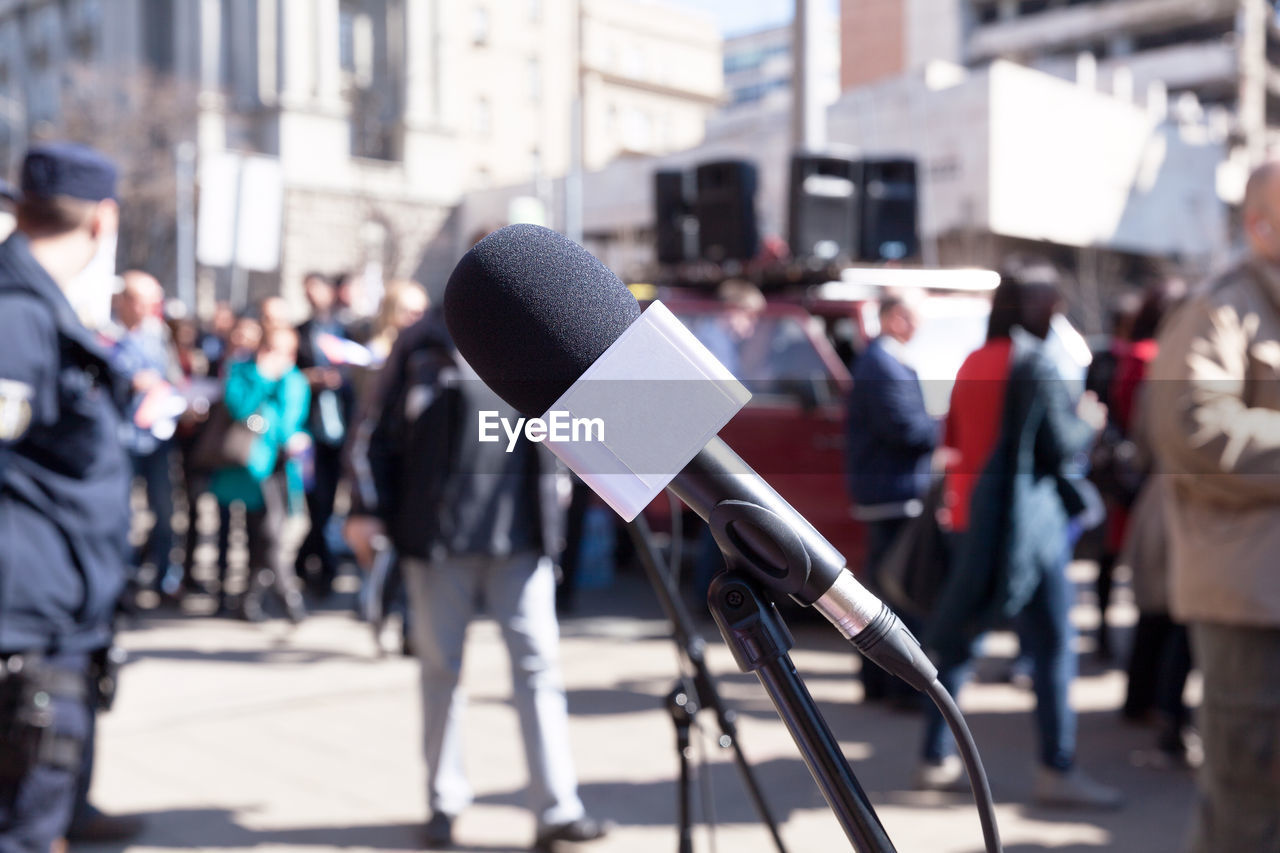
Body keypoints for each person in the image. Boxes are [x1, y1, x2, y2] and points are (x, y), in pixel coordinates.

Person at [357, 312, 609, 850]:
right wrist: (368, 507)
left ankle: (556, 809)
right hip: (438, 540)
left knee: (538, 668)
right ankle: (444, 801)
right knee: (440, 672)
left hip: (520, 542)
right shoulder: (424, 342)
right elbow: (376, 429)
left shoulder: (538, 339)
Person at [915, 262, 1121, 808]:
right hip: (1025, 529)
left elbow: (953, 439)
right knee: (1053, 645)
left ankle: (933, 755)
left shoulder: (973, 362)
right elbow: (1059, 444)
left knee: (960, 638)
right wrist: (1091, 420)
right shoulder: (1040, 364)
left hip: (968, 520)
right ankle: (1057, 767)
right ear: (1043, 307)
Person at [0, 142, 142, 849]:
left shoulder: (39, 306)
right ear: (101, 220)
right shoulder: (17, 313)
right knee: (24, 823)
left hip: (57, 602)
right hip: (27, 614)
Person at [1146, 160, 1280, 852]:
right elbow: (1195, 425)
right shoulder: (1222, 306)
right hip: (1250, 602)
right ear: (1259, 224)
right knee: (1250, 807)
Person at [845, 289, 939, 705]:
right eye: (915, 317)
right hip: (892, 493)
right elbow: (905, 429)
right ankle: (895, 687)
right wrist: (945, 434)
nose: (920, 326)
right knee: (893, 594)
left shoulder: (885, 362)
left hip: (890, 491)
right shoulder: (883, 365)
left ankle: (883, 684)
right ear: (895, 318)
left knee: (883, 592)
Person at [209, 326, 311, 623]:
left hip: (280, 469)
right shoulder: (241, 371)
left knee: (270, 535)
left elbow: (288, 423)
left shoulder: (293, 380)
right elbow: (239, 407)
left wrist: (272, 418)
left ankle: (256, 598)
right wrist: (263, 377)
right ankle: (284, 599)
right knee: (261, 534)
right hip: (248, 467)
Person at [109, 270, 184, 599]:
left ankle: (164, 576)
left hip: (157, 438)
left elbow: (174, 378)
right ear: (124, 301)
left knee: (165, 510)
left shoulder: (159, 336)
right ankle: (119, 580)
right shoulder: (106, 335)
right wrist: (129, 382)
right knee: (120, 513)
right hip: (119, 438)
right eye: (140, 301)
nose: (146, 309)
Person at [294, 273, 355, 599]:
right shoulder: (301, 331)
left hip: (340, 429)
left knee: (329, 502)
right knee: (315, 501)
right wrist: (311, 378)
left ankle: (304, 562)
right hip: (310, 430)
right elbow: (291, 374)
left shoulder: (347, 330)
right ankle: (322, 567)